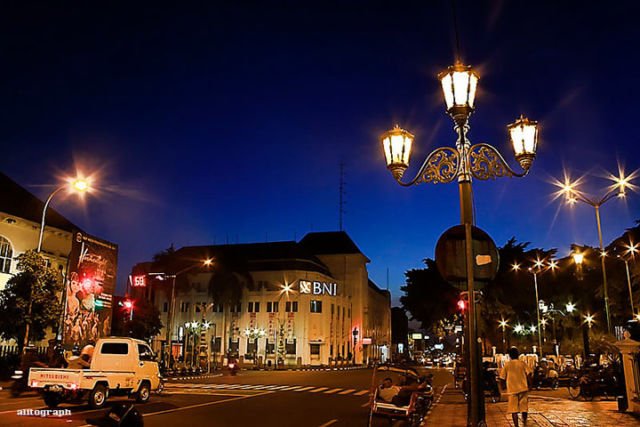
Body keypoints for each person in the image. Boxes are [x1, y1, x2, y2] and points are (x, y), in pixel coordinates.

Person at [499, 346, 532, 426]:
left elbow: (502, 377)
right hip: (523, 388)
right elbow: (529, 374)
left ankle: (516, 425)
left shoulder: (507, 365)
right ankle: (524, 423)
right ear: (518, 354)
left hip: (512, 389)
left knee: (514, 409)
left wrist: (502, 386)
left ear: (510, 355)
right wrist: (530, 385)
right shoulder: (522, 363)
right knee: (524, 408)